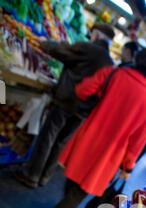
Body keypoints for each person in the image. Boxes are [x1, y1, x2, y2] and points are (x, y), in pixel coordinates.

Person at [37, 47, 146, 208]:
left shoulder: (117, 73)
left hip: (89, 135)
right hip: (111, 153)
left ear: (138, 59)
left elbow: (83, 90)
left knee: (73, 177)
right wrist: (127, 167)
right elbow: (139, 139)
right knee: (81, 191)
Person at [14, 23, 115, 189]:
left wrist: (43, 42)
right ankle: (44, 177)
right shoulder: (109, 62)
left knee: (48, 136)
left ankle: (31, 175)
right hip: (83, 110)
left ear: (96, 35)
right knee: (60, 143)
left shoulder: (88, 49)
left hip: (67, 99)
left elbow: (63, 51)